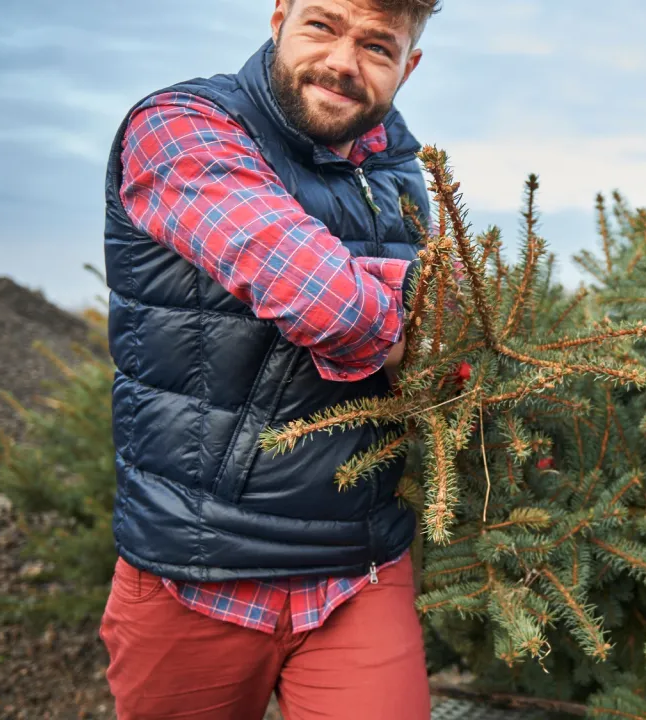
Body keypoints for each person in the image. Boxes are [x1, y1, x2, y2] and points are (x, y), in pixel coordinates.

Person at [97, 1, 440, 717]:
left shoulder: (402, 172)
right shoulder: (181, 127)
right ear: (279, 16)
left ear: (409, 66)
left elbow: (446, 332)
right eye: (324, 25)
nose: (344, 61)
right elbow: (335, 309)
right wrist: (410, 307)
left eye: (378, 47)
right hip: (195, 568)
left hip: (360, 568)